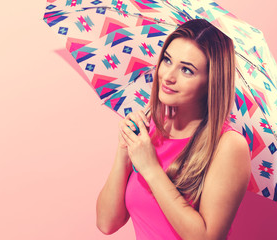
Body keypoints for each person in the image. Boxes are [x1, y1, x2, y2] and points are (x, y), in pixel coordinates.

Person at [96, 19, 251, 240]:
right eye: (167, 60)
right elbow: (106, 222)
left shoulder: (228, 146)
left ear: (211, 83)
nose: (168, 76)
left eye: (187, 70)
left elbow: (207, 238)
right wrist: (124, 149)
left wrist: (150, 168)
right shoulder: (150, 130)